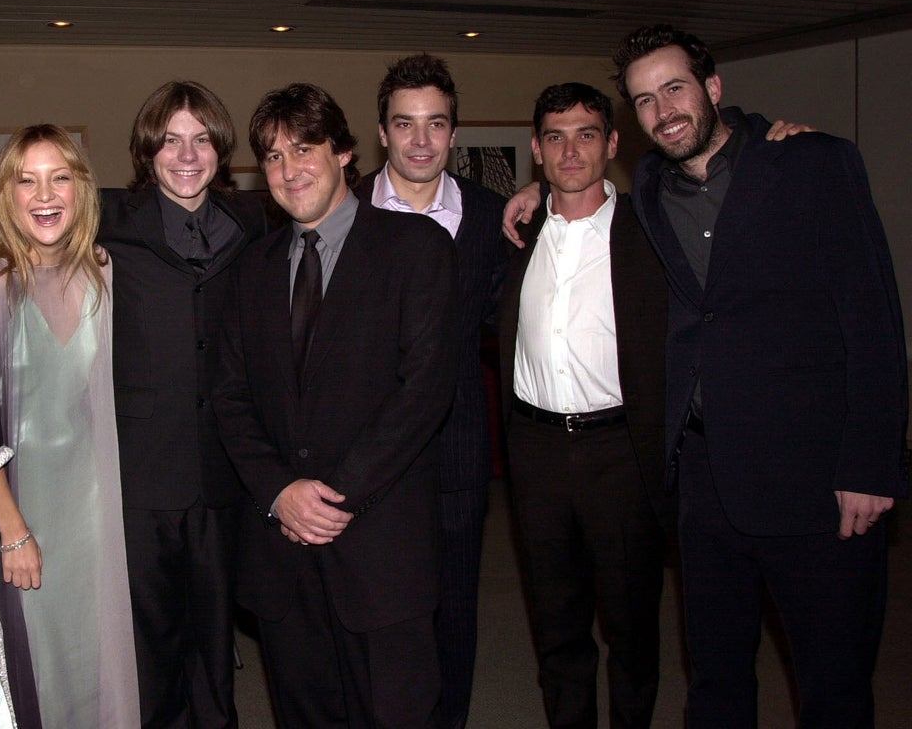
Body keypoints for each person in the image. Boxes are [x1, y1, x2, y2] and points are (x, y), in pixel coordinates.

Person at [607, 25, 907, 727]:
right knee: (715, 679)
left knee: (832, 684)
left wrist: (871, 462)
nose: (664, 111)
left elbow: (874, 320)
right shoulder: (649, 183)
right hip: (706, 476)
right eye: (645, 100)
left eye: (674, 88)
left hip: (816, 477)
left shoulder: (813, 163)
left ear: (713, 89)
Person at [213, 82, 458, 727]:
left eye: (304, 149)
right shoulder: (251, 269)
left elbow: (423, 393)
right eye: (271, 157)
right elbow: (231, 398)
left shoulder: (417, 250)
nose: (289, 170)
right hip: (283, 555)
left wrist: (334, 498)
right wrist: (279, 491)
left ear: (344, 151)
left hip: (381, 550)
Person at [0, 124, 139, 727]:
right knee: (42, 672)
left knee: (101, 665)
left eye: (60, 176)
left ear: (82, 189)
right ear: (4, 195)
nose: (44, 193)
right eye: (25, 180)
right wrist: (12, 530)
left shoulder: (107, 276)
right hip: (25, 512)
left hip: (97, 511)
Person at [498, 83, 668, 728]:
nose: (572, 151)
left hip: (620, 452)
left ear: (613, 143)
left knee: (631, 625)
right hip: (536, 451)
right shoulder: (515, 232)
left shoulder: (651, 229)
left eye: (587, 134)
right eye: (556, 137)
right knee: (556, 623)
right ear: (538, 150)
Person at [99, 81, 266, 728]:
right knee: (152, 648)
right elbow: (12, 222)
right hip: (142, 477)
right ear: (148, 151)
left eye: (201, 139)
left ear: (221, 151)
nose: (187, 155)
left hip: (226, 475)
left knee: (215, 645)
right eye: (171, 140)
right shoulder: (112, 221)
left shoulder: (253, 222)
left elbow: (342, 199)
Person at [355, 54, 507, 729]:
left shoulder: (496, 219)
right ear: (382, 132)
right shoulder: (340, 208)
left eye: (435, 124)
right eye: (405, 124)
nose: (420, 140)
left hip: (456, 448)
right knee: (369, 610)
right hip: (359, 452)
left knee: (451, 614)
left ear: (454, 132)